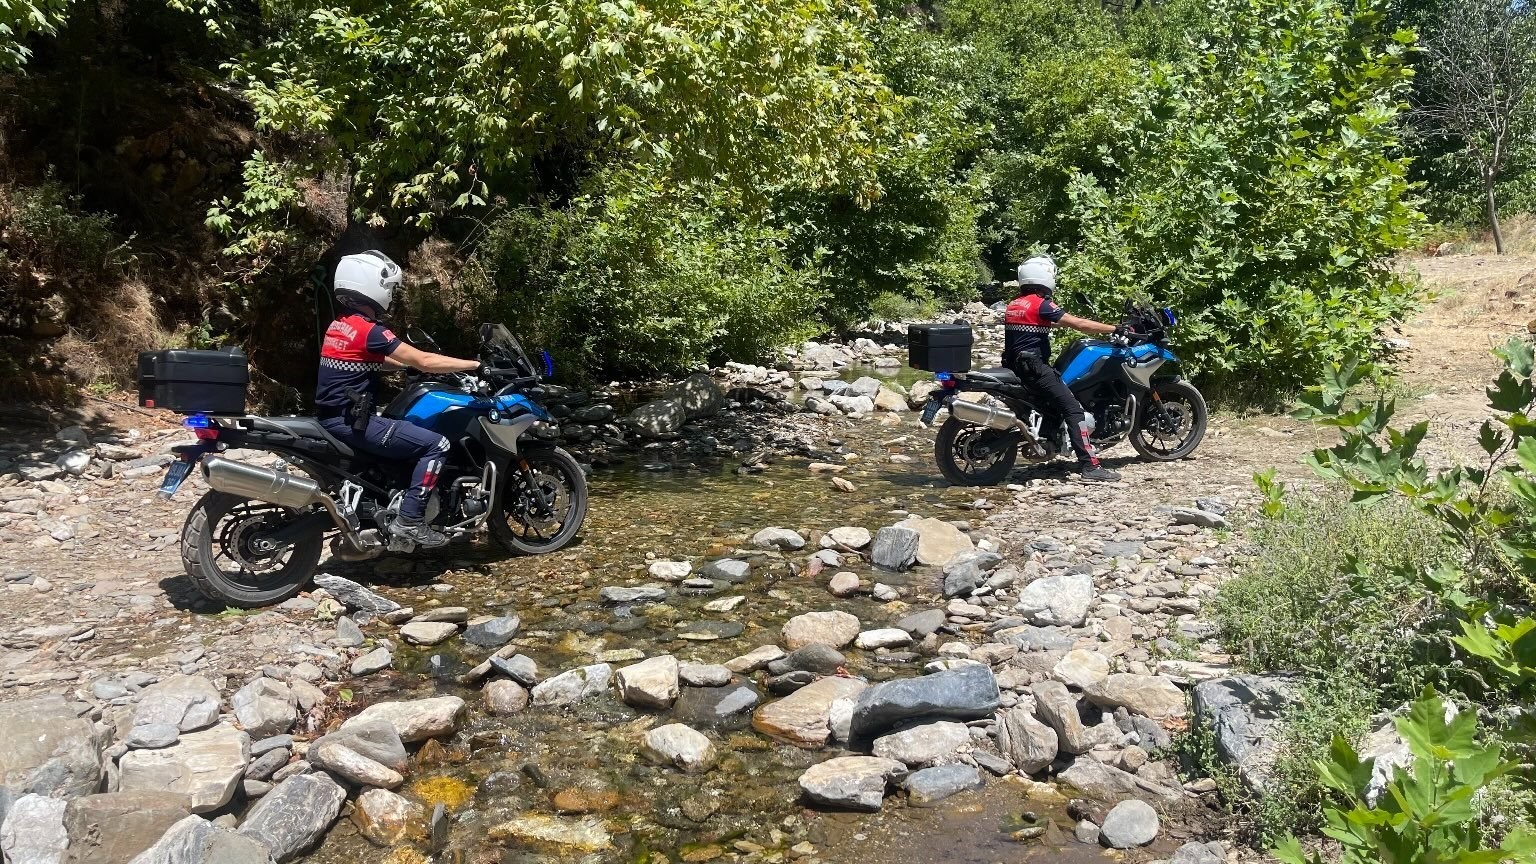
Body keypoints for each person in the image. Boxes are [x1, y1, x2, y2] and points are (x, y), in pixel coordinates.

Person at [316, 250, 481, 547]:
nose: (391, 295)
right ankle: (410, 521)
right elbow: (425, 360)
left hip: (334, 416)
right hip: (351, 422)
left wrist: (405, 366)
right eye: (390, 288)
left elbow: (369, 360)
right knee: (437, 444)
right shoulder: (370, 331)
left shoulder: (340, 326)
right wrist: (475, 365)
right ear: (371, 286)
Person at [1003, 255, 1123, 482]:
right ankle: (1090, 466)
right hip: (1034, 368)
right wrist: (1114, 328)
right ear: (1046, 277)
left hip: (1016, 366)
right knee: (1074, 410)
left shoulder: (1015, 304)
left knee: (1054, 403)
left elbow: (1047, 322)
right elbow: (1078, 324)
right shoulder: (1042, 304)